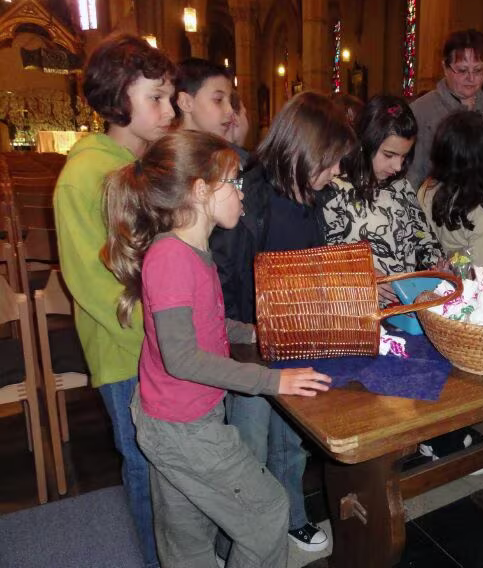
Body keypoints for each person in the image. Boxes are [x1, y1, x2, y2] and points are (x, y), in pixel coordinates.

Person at [102, 130, 331, 568]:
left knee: (187, 535)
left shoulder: (191, 250)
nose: (242, 194)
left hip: (176, 420)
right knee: (267, 513)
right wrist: (271, 380)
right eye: (234, 183)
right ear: (200, 191)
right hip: (183, 429)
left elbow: (202, 324)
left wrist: (249, 333)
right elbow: (182, 357)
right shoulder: (171, 258)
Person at [212, 92, 356, 554]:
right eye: (332, 161)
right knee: (249, 445)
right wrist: (237, 336)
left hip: (294, 337)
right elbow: (224, 273)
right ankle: (240, 537)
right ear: (304, 150)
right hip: (250, 344)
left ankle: (292, 517)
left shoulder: (311, 197)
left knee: (291, 442)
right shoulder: (250, 198)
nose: (338, 171)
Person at [53, 33, 175, 568]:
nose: (169, 110)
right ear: (118, 98)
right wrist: (159, 328)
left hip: (167, 337)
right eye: (156, 98)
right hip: (125, 346)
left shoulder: (148, 163)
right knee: (144, 464)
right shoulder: (84, 174)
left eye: (169, 96)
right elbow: (89, 279)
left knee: (171, 463)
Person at [322, 95, 443, 305]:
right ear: (366, 144)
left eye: (404, 156)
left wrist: (437, 265)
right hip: (358, 308)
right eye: (389, 155)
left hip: (404, 306)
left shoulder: (400, 186)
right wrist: (360, 273)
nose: (397, 166)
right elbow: (323, 256)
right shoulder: (335, 188)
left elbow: (424, 238)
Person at [408, 29, 483, 244]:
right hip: (444, 225)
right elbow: (414, 176)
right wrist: (418, 234)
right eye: (462, 70)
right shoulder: (422, 110)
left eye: (479, 70)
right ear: (445, 67)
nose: (471, 78)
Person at [418, 111, 483, 270]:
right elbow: (481, 267)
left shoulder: (427, 189)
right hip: (465, 282)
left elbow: (421, 239)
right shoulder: (480, 207)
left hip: (431, 275)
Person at [174, 58, 234, 141]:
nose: (230, 110)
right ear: (186, 102)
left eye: (230, 101)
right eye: (218, 100)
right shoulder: (170, 149)